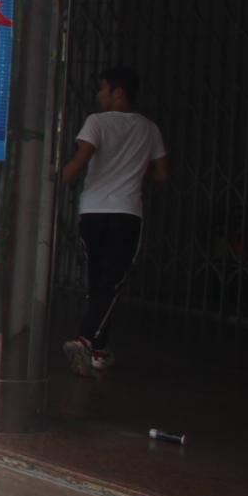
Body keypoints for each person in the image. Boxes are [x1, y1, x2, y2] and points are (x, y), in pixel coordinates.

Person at [60, 66, 168, 377]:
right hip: (126, 214)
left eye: (103, 88)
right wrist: (135, 168)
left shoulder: (97, 122)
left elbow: (81, 162)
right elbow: (162, 175)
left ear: (118, 92)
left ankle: (98, 349)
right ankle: (86, 340)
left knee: (98, 281)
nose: (99, 94)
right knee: (111, 283)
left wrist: (51, 187)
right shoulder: (149, 129)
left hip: (92, 213)